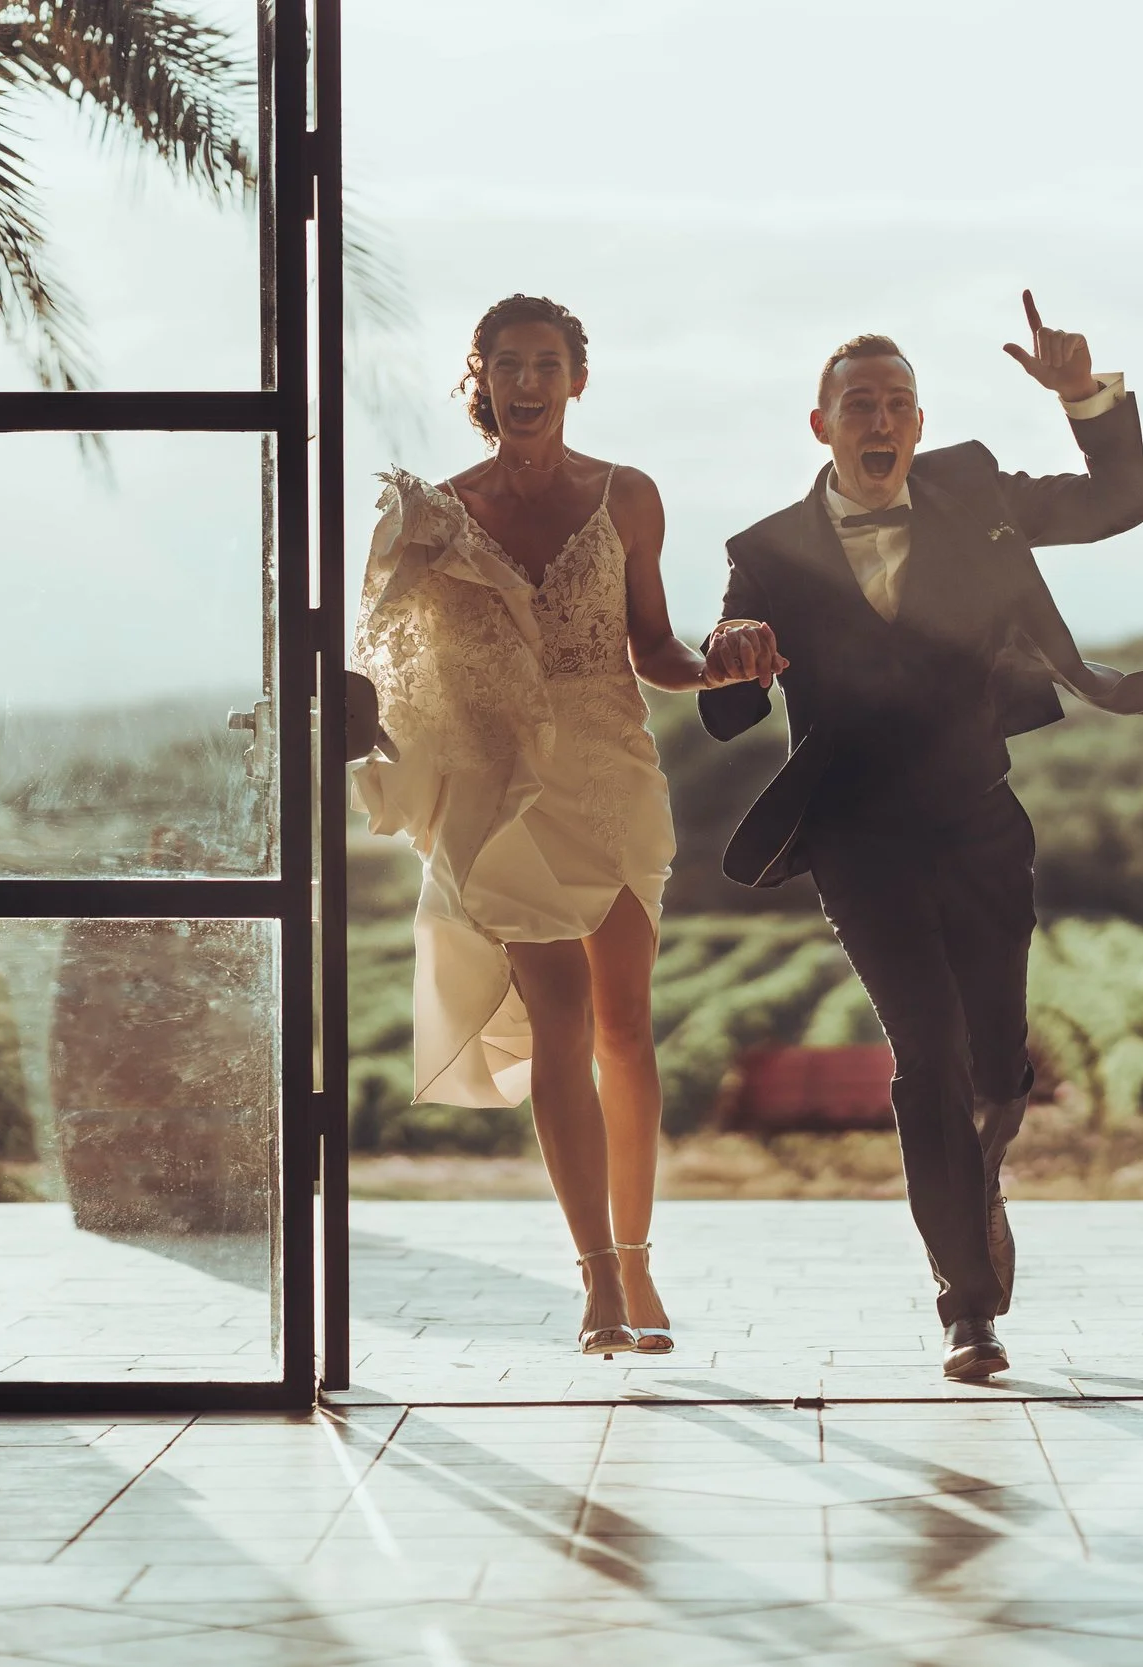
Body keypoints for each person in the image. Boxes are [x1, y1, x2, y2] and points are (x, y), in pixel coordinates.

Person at [698, 296, 1143, 1379]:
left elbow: (1121, 499)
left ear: (918, 423)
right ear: (820, 424)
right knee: (926, 1055)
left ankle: (981, 1163)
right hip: (857, 839)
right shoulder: (764, 551)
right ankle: (967, 1304)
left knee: (996, 1067)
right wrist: (731, 653)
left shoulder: (972, 495)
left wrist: (1080, 399)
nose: (881, 418)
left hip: (978, 821)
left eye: (898, 403)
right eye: (858, 403)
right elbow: (725, 710)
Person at [352, 294, 765, 1356]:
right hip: (504, 797)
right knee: (561, 1027)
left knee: (625, 1026)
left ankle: (638, 1260)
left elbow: (655, 649)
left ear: (576, 379)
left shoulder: (627, 497)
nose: (526, 381)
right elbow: (387, 664)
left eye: (546, 363)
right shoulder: (430, 517)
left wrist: (717, 655)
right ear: (477, 378)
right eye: (506, 363)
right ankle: (594, 1283)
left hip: (613, 775)